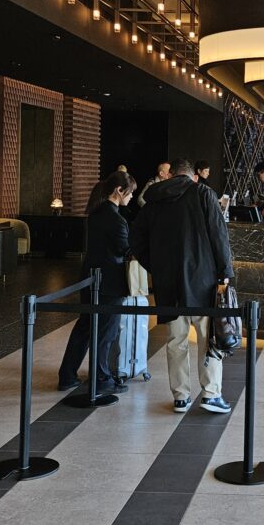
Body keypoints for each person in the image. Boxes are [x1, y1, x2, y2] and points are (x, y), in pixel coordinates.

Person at [130, 158, 234, 415]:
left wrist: (156, 265)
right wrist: (225, 272)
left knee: (176, 340)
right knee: (207, 338)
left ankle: (180, 396)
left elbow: (136, 239)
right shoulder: (202, 193)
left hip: (168, 282)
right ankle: (210, 393)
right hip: (202, 280)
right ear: (192, 176)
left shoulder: (154, 199)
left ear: (171, 175)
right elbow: (218, 234)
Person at [57, 170, 137, 392]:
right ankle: (101, 379)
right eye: (129, 193)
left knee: (85, 326)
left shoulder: (96, 213)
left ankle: (67, 375)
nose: (131, 197)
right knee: (105, 332)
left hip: (90, 277)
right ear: (119, 191)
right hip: (110, 282)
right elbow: (126, 249)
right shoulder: (116, 219)